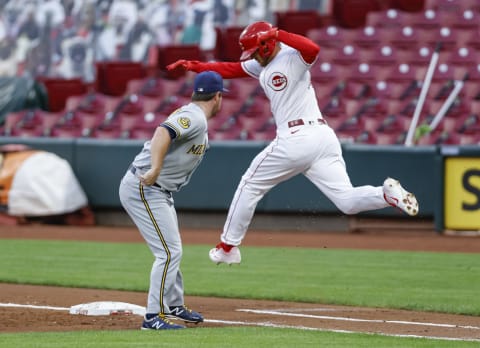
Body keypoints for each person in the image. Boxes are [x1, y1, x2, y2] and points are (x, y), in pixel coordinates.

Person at [166, 21, 419, 266]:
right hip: (322, 138)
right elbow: (231, 69)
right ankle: (386, 194)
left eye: (255, 50)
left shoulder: (292, 56)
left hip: (297, 137)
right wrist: (195, 66)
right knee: (347, 202)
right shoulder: (263, 62)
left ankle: (227, 248)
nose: (252, 56)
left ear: (267, 44)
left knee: (250, 184)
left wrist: (278, 33)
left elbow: (313, 49)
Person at [119, 71, 227, 329]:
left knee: (171, 248)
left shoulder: (195, 116)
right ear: (218, 97)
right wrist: (155, 168)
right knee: (168, 252)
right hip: (146, 186)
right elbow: (162, 133)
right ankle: (152, 316)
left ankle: (173, 305)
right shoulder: (194, 117)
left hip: (158, 190)